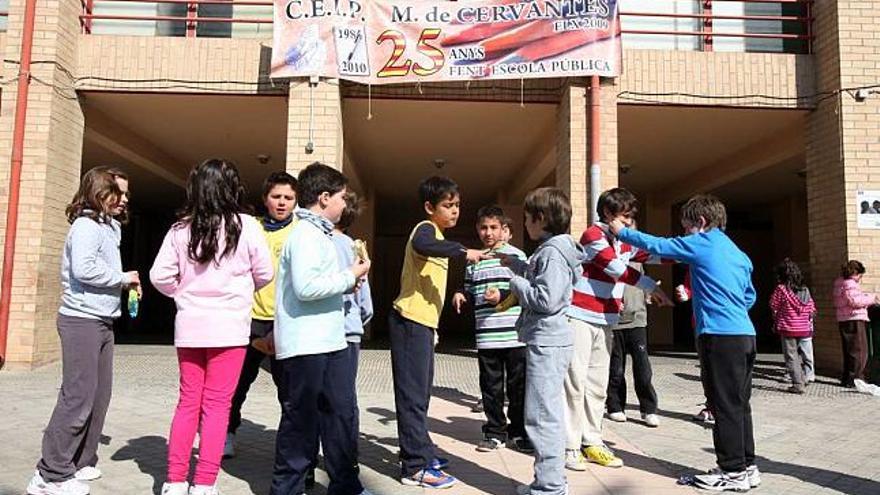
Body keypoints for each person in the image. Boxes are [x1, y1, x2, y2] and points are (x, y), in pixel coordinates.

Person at [610, 194, 760, 492]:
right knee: (739, 405)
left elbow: (659, 245)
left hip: (719, 336)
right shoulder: (737, 252)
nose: (683, 233)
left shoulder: (701, 242)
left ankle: (731, 472)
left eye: (685, 227)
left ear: (700, 223)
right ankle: (747, 466)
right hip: (746, 334)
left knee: (723, 405)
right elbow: (749, 296)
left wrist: (621, 231)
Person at [151, 159, 274, 495]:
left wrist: (184, 294)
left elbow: (158, 276)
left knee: (188, 402)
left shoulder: (180, 229)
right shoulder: (246, 225)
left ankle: (174, 481)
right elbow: (266, 272)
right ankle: (204, 484)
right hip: (231, 327)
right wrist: (239, 290)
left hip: (190, 325)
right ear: (233, 187)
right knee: (218, 406)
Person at [27, 169, 140, 495]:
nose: (124, 199)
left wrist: (126, 282)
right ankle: (49, 474)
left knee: (98, 395)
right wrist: (122, 277)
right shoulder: (86, 226)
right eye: (119, 192)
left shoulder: (108, 227)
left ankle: (80, 460)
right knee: (77, 398)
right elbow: (84, 268)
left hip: (102, 320)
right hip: (81, 321)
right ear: (99, 192)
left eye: (126, 194)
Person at [269, 162, 372, 495]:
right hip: (306, 345)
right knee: (301, 422)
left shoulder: (320, 234)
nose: (345, 204)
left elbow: (317, 285)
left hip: (328, 341)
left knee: (336, 413)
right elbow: (306, 287)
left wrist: (345, 284)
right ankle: (286, 488)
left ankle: (344, 485)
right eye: (341, 197)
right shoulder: (306, 235)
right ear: (324, 198)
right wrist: (349, 276)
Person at [564, 188, 671, 471]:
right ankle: (569, 446)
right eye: (626, 217)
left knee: (598, 385)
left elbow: (655, 254)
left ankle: (593, 442)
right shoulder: (592, 235)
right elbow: (614, 268)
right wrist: (650, 286)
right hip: (579, 317)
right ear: (609, 214)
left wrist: (689, 251)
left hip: (606, 320)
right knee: (575, 382)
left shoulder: (623, 241)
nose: (630, 223)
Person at [390, 176, 485, 489]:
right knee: (413, 397)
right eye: (448, 205)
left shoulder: (440, 235)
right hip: (409, 322)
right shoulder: (426, 229)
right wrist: (463, 251)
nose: (455, 211)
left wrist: (433, 329)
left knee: (421, 394)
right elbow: (423, 245)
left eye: (457, 205)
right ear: (430, 207)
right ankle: (414, 466)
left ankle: (422, 449)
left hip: (422, 324)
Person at [498, 187, 584, 495]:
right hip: (549, 340)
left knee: (541, 415)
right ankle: (548, 480)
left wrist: (516, 282)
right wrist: (517, 265)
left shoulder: (551, 253)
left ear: (542, 218)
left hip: (548, 341)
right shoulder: (554, 250)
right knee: (545, 411)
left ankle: (549, 486)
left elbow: (545, 299)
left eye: (527, 218)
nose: (525, 224)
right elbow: (547, 281)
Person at [224, 171, 298, 459]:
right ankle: (226, 433)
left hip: (285, 321)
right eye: (276, 197)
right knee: (236, 384)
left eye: (288, 198)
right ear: (265, 199)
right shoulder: (250, 227)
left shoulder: (300, 230)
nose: (282, 203)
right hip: (247, 319)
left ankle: (292, 444)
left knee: (289, 391)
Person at [304, 191, 375, 484]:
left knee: (311, 400)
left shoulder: (309, 240)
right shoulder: (352, 247)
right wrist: (361, 319)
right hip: (346, 332)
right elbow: (365, 301)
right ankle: (347, 464)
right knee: (344, 404)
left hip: (313, 333)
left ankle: (306, 465)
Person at [452, 206, 530, 453]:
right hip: (486, 336)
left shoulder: (517, 256)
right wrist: (461, 294)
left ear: (503, 229)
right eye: (484, 227)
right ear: (478, 229)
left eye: (493, 227)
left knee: (518, 387)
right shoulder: (475, 259)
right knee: (491, 386)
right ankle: (495, 431)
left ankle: (518, 432)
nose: (488, 232)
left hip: (515, 336)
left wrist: (503, 295)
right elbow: (468, 287)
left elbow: (528, 291)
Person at [606, 261, 660, 427]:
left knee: (643, 368)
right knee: (616, 368)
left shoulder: (638, 261)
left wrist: (649, 295)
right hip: (614, 322)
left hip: (637, 320)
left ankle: (649, 409)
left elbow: (645, 284)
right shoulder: (607, 258)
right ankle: (615, 406)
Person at [769, 258, 816, 394]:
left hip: (788, 327)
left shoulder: (781, 289)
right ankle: (807, 375)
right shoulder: (805, 290)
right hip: (804, 327)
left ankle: (797, 383)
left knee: (792, 356)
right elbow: (811, 307)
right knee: (805, 353)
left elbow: (773, 304)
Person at [832, 260, 879, 388]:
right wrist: (872, 298)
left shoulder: (839, 283)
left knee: (848, 350)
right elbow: (854, 301)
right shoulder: (850, 284)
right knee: (859, 351)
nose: (860, 279)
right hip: (855, 318)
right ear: (855, 273)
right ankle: (857, 378)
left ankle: (847, 378)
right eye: (860, 275)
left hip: (843, 319)